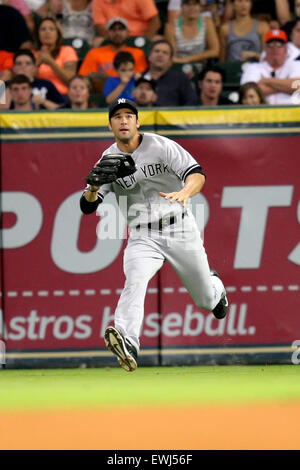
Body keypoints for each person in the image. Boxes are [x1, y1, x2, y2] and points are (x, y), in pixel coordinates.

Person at [80, 98, 229, 372]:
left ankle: (216, 288)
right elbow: (88, 206)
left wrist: (185, 192)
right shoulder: (108, 159)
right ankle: (128, 340)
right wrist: (92, 188)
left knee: (206, 301)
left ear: (138, 122)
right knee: (134, 281)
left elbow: (197, 174)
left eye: (129, 115)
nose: (123, 120)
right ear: (110, 124)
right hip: (142, 235)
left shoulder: (161, 146)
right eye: (117, 117)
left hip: (179, 227)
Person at [241, 29, 300, 104]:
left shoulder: (296, 64)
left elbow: (298, 86)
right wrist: (287, 85)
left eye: (279, 44)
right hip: (262, 112)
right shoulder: (253, 68)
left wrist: (267, 81)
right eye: (271, 44)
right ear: (265, 48)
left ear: (286, 48)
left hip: (294, 111)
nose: (275, 48)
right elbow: (250, 91)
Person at [79, 18, 148, 81]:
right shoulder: (94, 53)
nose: (117, 33)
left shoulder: (138, 53)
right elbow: (84, 76)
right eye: (113, 30)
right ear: (107, 33)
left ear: (128, 32)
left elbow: (142, 78)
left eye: (121, 29)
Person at [165, 0, 220, 71]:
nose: (191, 8)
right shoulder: (171, 27)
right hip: (179, 68)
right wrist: (182, 63)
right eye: (187, 4)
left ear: (200, 7)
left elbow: (215, 51)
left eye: (195, 4)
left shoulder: (207, 22)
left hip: (202, 70)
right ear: (181, 7)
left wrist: (186, 60)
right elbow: (173, 56)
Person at [143, 39, 198, 106]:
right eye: (157, 51)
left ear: (170, 60)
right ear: (149, 56)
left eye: (165, 53)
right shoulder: (139, 77)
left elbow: (192, 102)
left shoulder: (180, 79)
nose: (160, 55)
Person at [33, 17, 78, 95]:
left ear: (57, 34)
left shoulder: (67, 51)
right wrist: (38, 63)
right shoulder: (31, 54)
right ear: (38, 34)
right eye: (43, 29)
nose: (47, 32)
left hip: (62, 95)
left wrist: (51, 62)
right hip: (37, 95)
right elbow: (25, 81)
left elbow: (71, 80)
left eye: (52, 29)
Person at [91, 0, 161, 46]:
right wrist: (119, 40)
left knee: (158, 42)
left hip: (141, 35)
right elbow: (101, 27)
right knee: (98, 42)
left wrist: (145, 39)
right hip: (114, 37)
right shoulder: (97, 1)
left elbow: (155, 21)